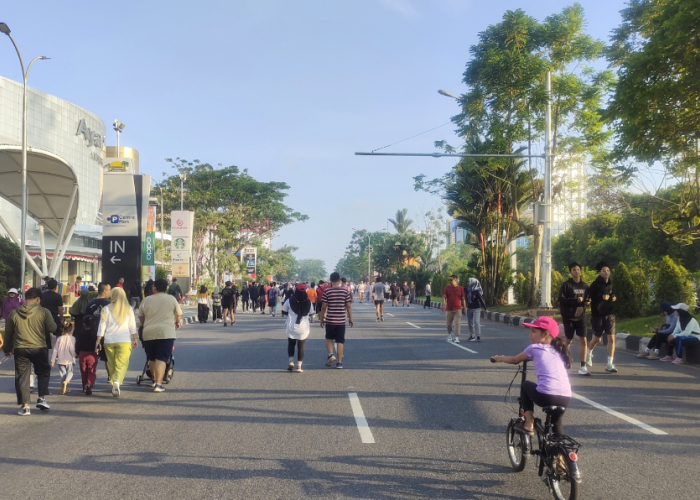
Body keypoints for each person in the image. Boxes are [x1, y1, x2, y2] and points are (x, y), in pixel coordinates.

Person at [492, 316, 573, 436]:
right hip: (566, 397)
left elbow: (515, 360)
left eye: (534, 332)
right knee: (557, 423)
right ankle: (561, 452)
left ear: (545, 334)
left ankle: (529, 423)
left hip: (547, 396)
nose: (530, 335)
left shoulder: (534, 348)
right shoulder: (559, 350)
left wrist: (500, 359)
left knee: (525, 385)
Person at [2, 287, 56, 416]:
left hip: (20, 349)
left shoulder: (14, 313)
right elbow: (53, 327)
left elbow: (8, 334)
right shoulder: (44, 312)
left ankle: (25, 406)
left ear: (26, 299)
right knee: (43, 372)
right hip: (39, 347)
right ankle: (42, 398)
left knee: (22, 376)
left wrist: (7, 349)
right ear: (38, 299)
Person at [138, 278, 182, 393]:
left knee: (151, 358)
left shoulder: (146, 300)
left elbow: (140, 316)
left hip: (149, 332)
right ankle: (158, 384)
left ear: (155, 288)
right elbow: (178, 314)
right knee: (161, 358)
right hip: (166, 333)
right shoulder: (171, 299)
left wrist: (145, 324)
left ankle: (153, 380)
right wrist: (177, 322)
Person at [95, 287, 138, 397]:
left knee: (112, 362)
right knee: (122, 363)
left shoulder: (106, 309)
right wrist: (135, 339)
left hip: (109, 341)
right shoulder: (128, 308)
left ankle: (113, 381)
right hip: (124, 340)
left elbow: (101, 327)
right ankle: (117, 382)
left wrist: (98, 341)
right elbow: (132, 326)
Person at [559, 263, 591, 375]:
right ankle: (564, 361)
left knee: (584, 340)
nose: (576, 271)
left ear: (580, 271)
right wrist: (575, 300)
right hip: (569, 317)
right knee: (568, 340)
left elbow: (588, 299)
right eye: (574, 269)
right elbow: (561, 299)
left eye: (578, 269)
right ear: (570, 272)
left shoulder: (585, 286)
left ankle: (583, 366)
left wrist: (587, 302)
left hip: (581, 317)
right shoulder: (567, 285)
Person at [587, 261, 618, 373]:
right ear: (599, 272)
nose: (606, 272)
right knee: (597, 338)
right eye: (604, 271)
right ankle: (589, 354)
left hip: (609, 313)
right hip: (597, 314)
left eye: (608, 270)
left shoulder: (611, 283)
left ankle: (610, 363)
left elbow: (612, 293)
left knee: (611, 338)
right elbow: (591, 298)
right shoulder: (594, 285)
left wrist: (613, 297)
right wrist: (601, 297)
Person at [319, 272, 353, 369]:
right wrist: (350, 318)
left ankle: (330, 355)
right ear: (339, 280)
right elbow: (348, 306)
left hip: (330, 320)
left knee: (329, 338)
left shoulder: (327, 292)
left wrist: (321, 319)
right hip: (341, 321)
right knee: (340, 341)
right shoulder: (345, 291)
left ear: (330, 280)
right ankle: (339, 363)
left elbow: (324, 307)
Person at [283, 283, 312, 372]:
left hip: (292, 326)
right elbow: (311, 313)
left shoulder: (289, 300)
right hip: (303, 328)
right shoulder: (308, 302)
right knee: (301, 346)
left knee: (291, 344)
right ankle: (299, 366)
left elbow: (284, 311)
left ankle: (291, 361)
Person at [51, 321, 77, 395]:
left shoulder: (59, 339)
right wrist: (74, 355)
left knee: (63, 374)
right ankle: (66, 382)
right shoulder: (72, 338)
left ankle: (63, 387)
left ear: (62, 329)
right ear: (71, 329)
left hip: (60, 360)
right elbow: (72, 349)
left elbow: (55, 350)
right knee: (70, 373)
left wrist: (52, 360)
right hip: (68, 360)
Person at [443, 275, 466, 344]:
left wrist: (464, 308)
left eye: (451, 280)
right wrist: (443, 305)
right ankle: (449, 334)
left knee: (457, 323)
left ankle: (456, 337)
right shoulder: (447, 288)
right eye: (449, 280)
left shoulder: (460, 288)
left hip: (458, 309)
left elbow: (463, 299)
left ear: (455, 280)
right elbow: (444, 297)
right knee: (448, 324)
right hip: (449, 309)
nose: (450, 281)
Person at [465, 278, 488, 342]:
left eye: (469, 282)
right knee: (470, 323)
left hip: (476, 308)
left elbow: (481, 299)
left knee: (476, 321)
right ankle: (472, 335)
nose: (468, 283)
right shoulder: (467, 290)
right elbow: (459, 288)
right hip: (469, 308)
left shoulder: (477, 291)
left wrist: (485, 308)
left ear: (473, 282)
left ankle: (478, 336)